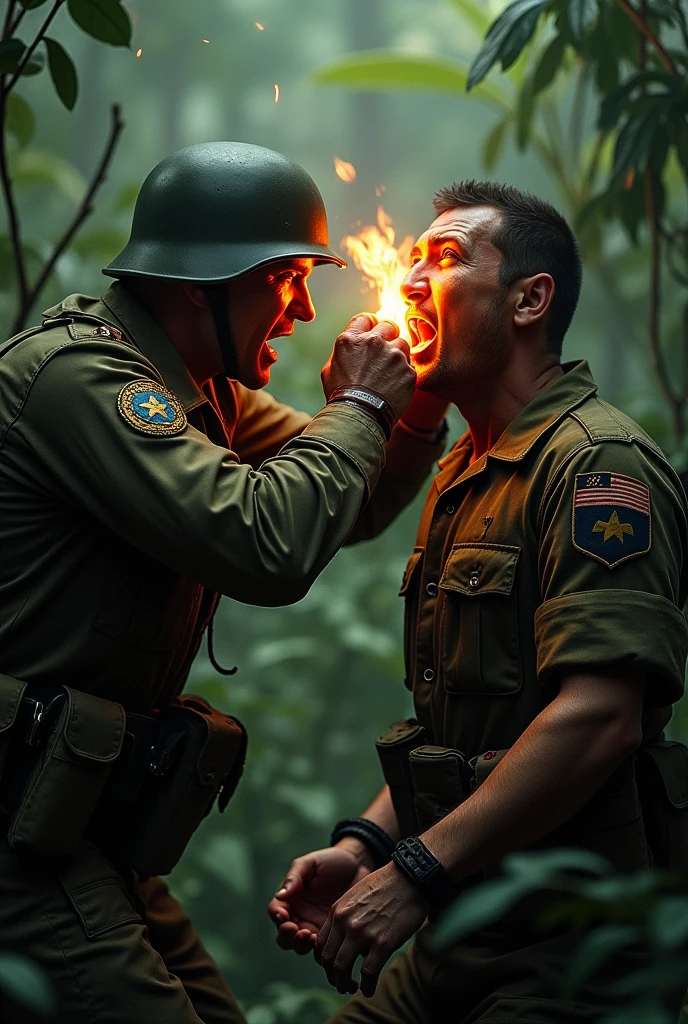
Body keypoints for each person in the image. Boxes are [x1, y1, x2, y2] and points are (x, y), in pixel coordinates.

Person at [0, 141, 450, 1024]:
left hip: (74, 819)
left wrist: (416, 397)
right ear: (199, 283)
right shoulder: (87, 381)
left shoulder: (202, 388)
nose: (303, 307)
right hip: (18, 827)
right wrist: (358, 407)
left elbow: (348, 505)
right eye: (283, 278)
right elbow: (264, 545)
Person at [270, 180, 688, 1023]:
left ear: (530, 299)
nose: (410, 280)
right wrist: (366, 848)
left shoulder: (599, 466)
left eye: (446, 259)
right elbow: (462, 735)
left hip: (567, 945)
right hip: (455, 934)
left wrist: (415, 874)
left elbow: (599, 718)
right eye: (410, 259)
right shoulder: (462, 470)